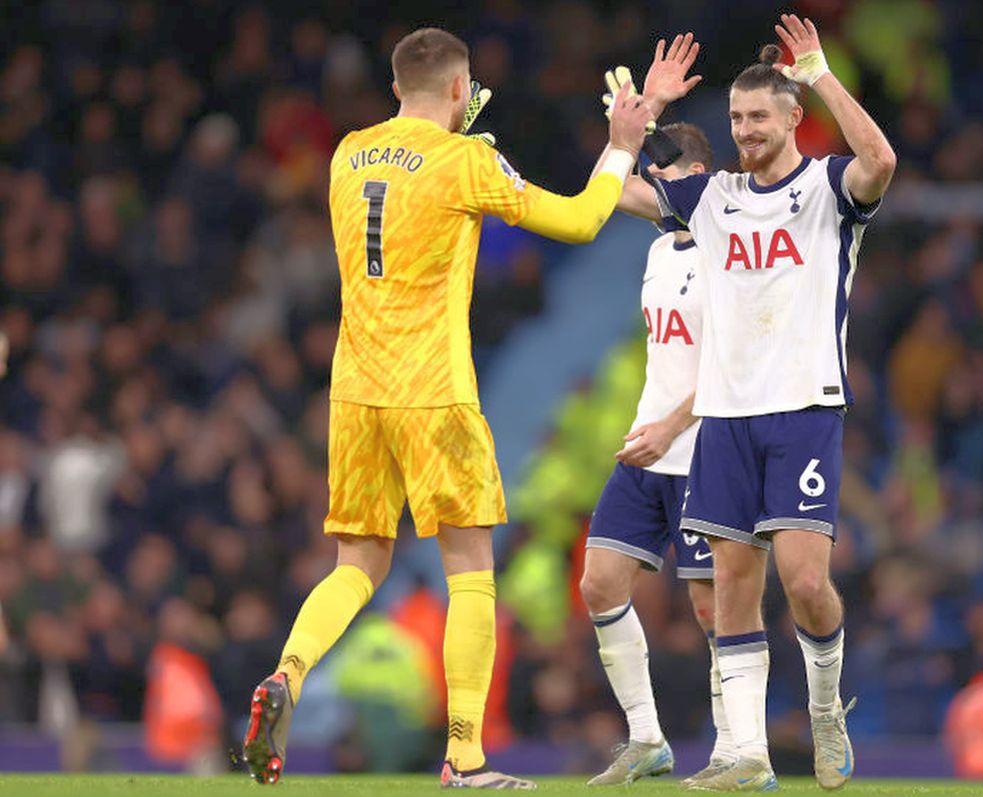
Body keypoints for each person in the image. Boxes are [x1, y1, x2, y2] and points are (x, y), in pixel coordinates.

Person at [240, 26, 656, 789]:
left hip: (354, 389)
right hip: (433, 388)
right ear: (462, 90)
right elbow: (578, 221)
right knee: (470, 572)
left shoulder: (346, 152)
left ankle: (288, 674)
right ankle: (465, 755)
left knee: (358, 563)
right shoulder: (465, 158)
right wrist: (621, 144)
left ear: (396, 87)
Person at [612, 14, 896, 791]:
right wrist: (635, 120)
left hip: (804, 405)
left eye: (759, 117)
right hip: (727, 417)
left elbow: (882, 158)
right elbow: (621, 195)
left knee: (805, 582)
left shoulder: (828, 188)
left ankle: (826, 707)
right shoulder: (712, 196)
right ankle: (745, 754)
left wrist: (819, 73)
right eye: (736, 118)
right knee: (732, 590)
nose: (745, 130)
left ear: (793, 118)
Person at [578, 123, 733, 786]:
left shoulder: (731, 248)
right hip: (649, 447)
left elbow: (737, 362)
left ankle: (736, 746)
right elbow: (602, 191)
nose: (654, 183)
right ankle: (647, 739)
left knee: (712, 608)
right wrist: (628, 130)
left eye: (668, 172)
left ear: (700, 175)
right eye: (653, 171)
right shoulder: (659, 252)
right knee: (598, 583)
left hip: (702, 446)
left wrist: (673, 425)